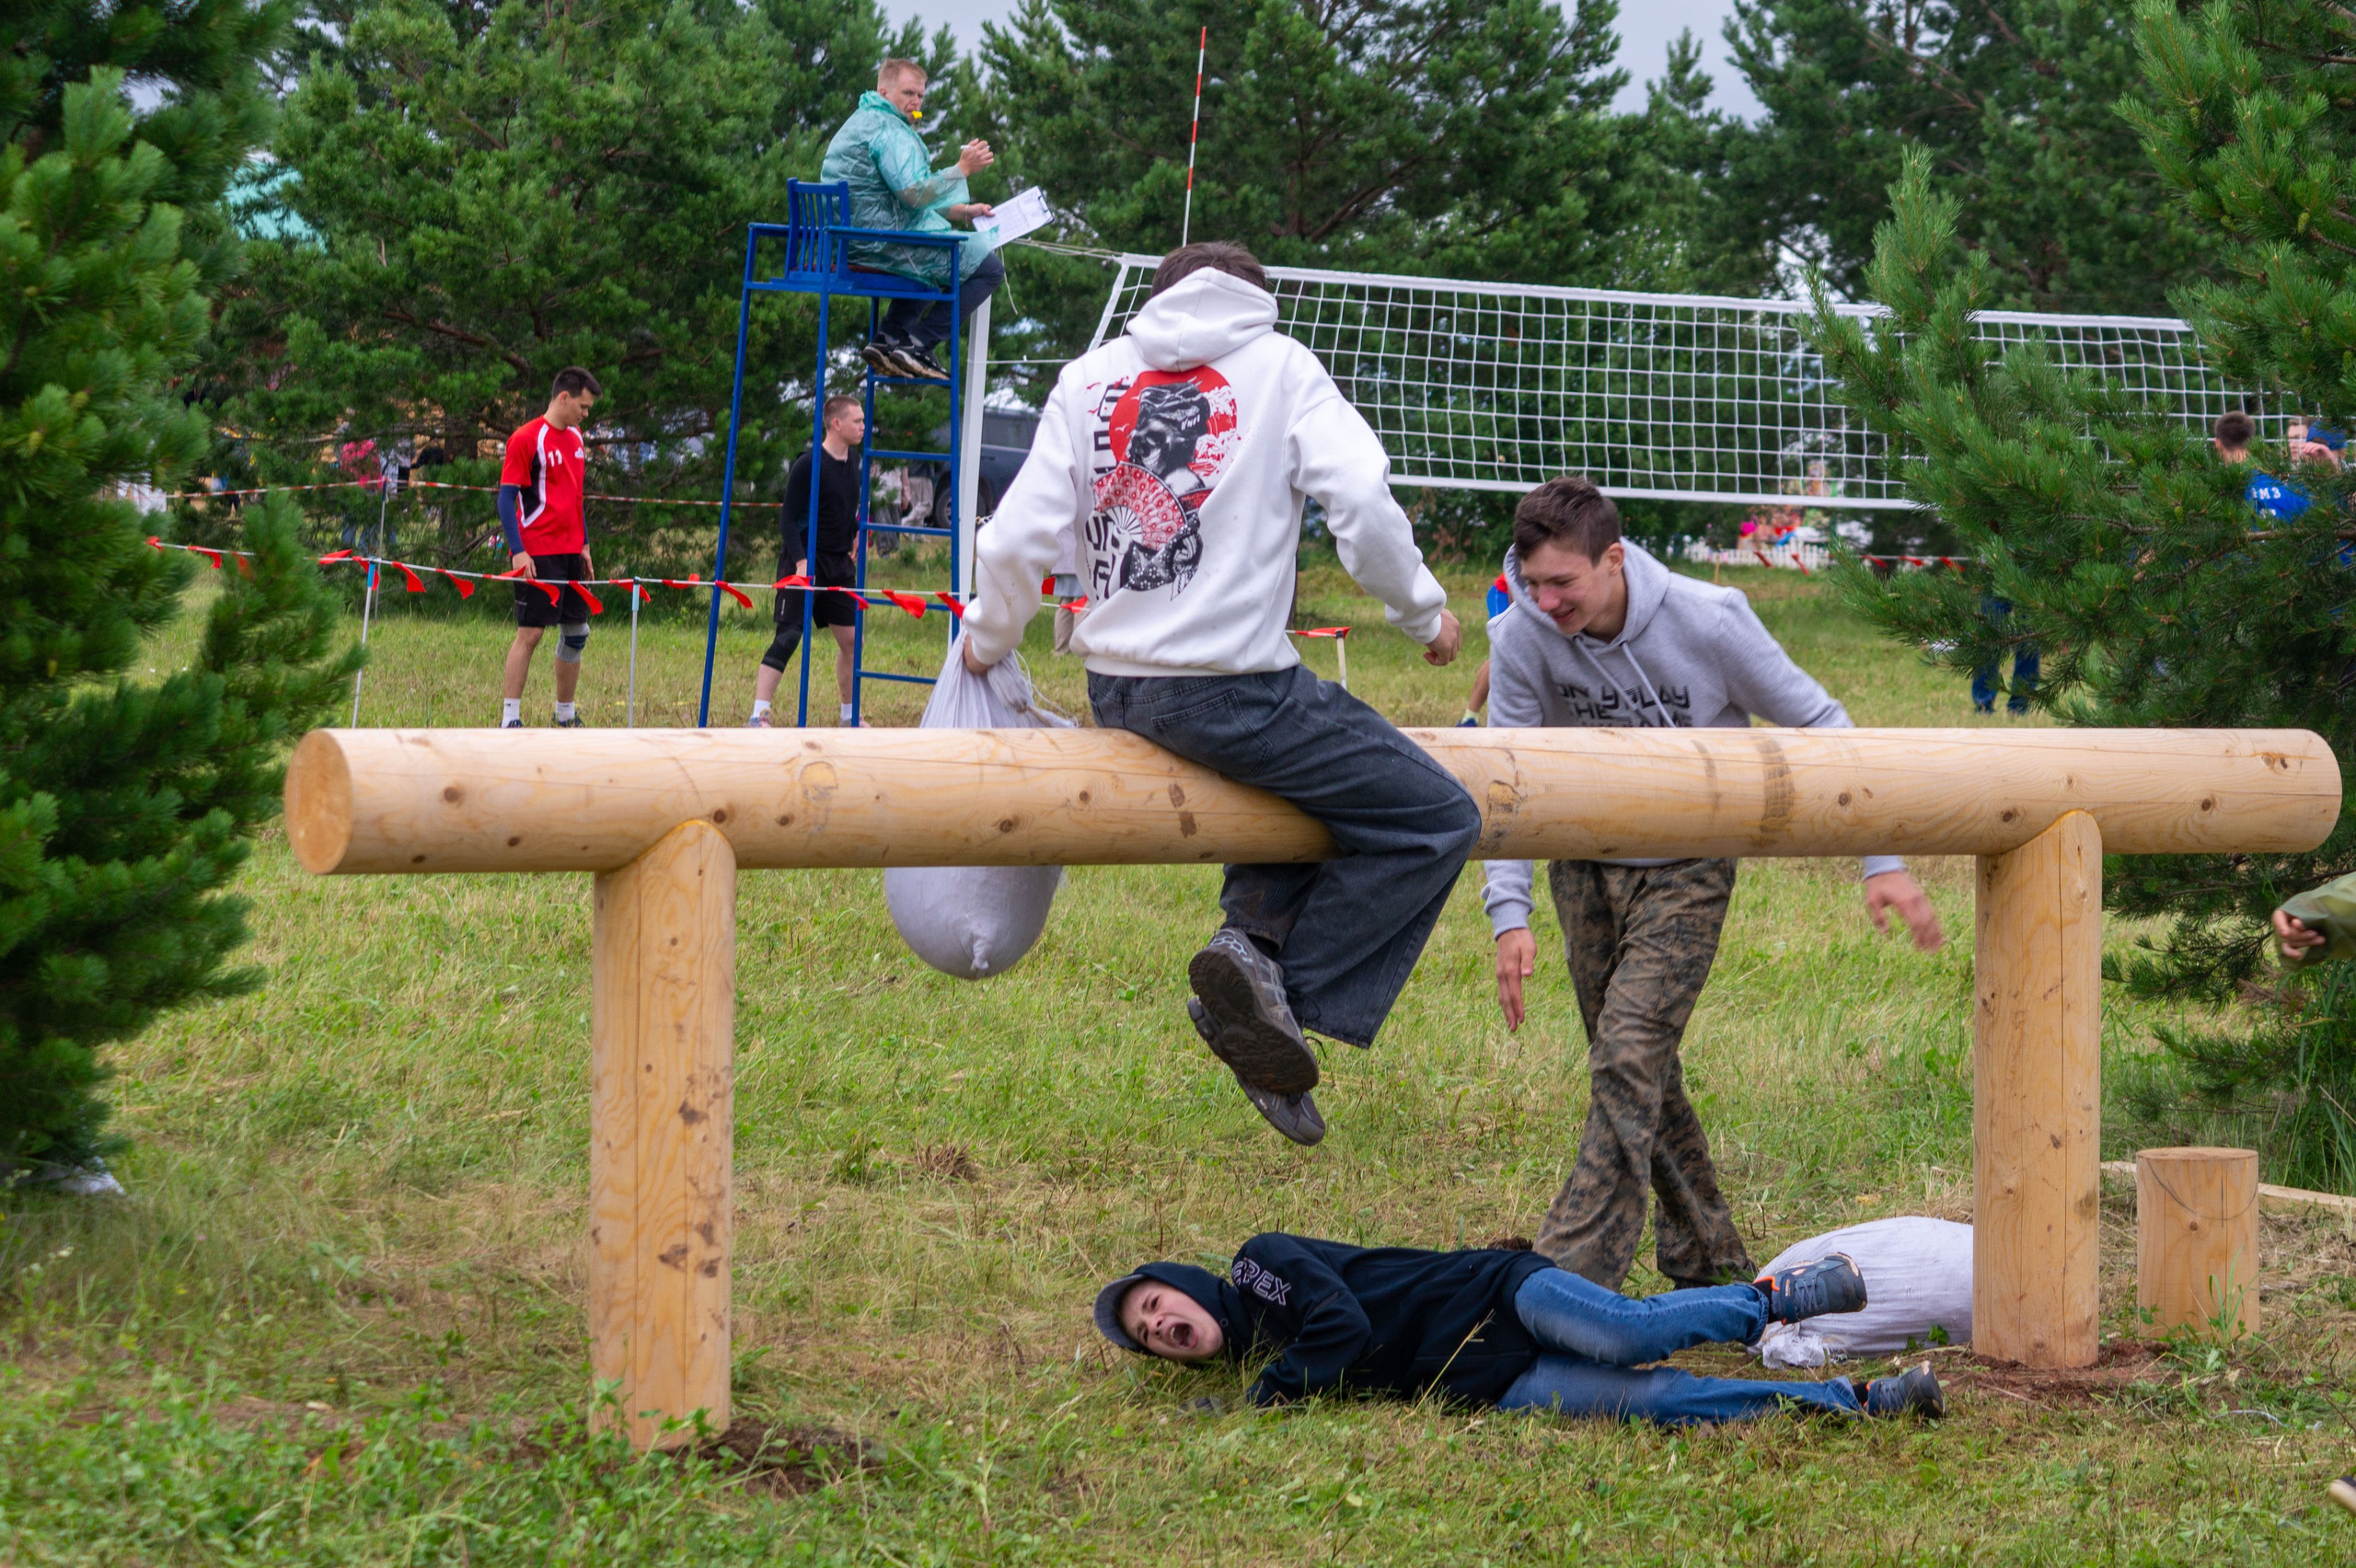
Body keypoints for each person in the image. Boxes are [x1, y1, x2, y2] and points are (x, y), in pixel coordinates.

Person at [959, 241, 1478, 1148]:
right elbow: (1358, 496)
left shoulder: (1088, 379)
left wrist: (986, 641)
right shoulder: (1281, 366)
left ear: (1158, 301)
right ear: (1256, 301)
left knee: (1312, 780)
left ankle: (1250, 948)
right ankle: (1277, 1005)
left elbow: (1010, 543)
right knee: (1436, 816)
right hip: (1231, 692)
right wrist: (1423, 615)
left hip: (1118, 689)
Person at [1484, 477, 1946, 1292]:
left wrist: (1882, 860)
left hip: (1689, 866)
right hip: (1584, 867)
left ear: (1614, 559)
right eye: (1534, 582)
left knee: (1627, 1057)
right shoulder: (1520, 635)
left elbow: (1824, 723)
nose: (1547, 600)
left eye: (1565, 582)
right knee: (1641, 1069)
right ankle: (1710, 1263)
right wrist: (1507, 914)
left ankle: (1564, 1277)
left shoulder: (1711, 619)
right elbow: (1507, 776)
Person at [1094, 1233, 1944, 1425]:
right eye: (1146, 1331)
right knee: (1657, 1403)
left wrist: (1266, 1396)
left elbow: (1344, 1325)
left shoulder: (1254, 1269)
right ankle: (1857, 1402)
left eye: (1157, 1303)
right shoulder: (1272, 1360)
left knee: (1625, 1333)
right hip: (1484, 1381)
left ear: (1186, 1287)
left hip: (1492, 1294)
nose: (1161, 1323)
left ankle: (1777, 1298)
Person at [822, 59, 1004, 383]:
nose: (916, 102)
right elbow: (914, 194)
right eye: (908, 93)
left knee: (940, 253)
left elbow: (894, 198)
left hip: (855, 238)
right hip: (878, 244)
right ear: (884, 90)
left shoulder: (865, 119)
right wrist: (961, 169)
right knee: (988, 268)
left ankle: (889, 338)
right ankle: (919, 344)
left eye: (920, 96)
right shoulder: (889, 130)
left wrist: (963, 211)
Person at [752, 396, 868, 728]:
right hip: (804, 558)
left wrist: (856, 532)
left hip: (840, 564)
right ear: (836, 424)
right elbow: (787, 520)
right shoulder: (809, 463)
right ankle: (758, 714)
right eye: (857, 421)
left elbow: (846, 505)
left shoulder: (855, 460)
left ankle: (849, 716)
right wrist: (801, 562)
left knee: (851, 641)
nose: (863, 426)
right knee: (788, 636)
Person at [498, 367, 602, 729]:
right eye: (583, 407)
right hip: (537, 552)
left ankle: (565, 714)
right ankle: (510, 717)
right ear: (564, 398)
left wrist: (584, 544)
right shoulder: (526, 438)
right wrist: (517, 550)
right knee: (531, 633)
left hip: (572, 551)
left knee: (577, 632)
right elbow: (506, 498)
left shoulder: (576, 439)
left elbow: (576, 497)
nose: (585, 415)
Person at [1457, 573, 1516, 725]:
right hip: (1505, 593)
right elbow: (1513, 578)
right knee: (1502, 651)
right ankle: (1469, 718)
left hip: (1526, 596)